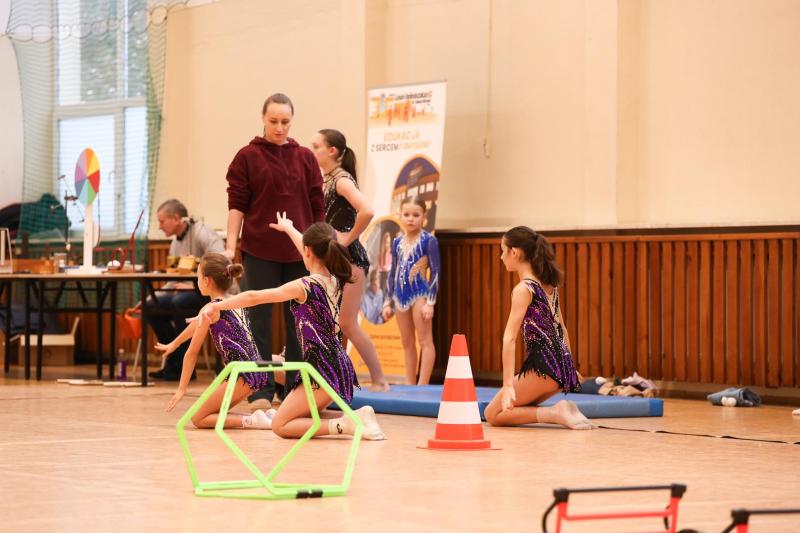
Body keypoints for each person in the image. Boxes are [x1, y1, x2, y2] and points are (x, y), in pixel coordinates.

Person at [201, 213, 386, 440]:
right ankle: (350, 419)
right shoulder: (335, 279)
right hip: (338, 365)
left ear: (308, 252)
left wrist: (219, 305)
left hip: (323, 369)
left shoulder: (304, 286)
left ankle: (345, 423)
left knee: (281, 425)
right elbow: (312, 250)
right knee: (291, 415)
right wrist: (289, 228)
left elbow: (253, 297)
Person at [224, 93, 325, 400]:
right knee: (258, 321)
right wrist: (230, 247)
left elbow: (317, 205)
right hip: (259, 250)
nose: (279, 128)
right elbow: (236, 205)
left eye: (285, 122)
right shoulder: (247, 156)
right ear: (263, 119)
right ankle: (260, 391)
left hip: (300, 252)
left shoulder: (305, 157)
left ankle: (294, 389)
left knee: (299, 321)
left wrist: (321, 247)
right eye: (273, 121)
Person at [483, 226, 593, 430]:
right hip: (560, 367)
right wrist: (569, 366)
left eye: (503, 250)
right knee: (517, 407)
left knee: (493, 414)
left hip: (544, 367)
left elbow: (509, 338)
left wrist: (508, 385)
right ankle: (563, 410)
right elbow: (562, 328)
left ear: (515, 252)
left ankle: (555, 413)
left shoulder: (523, 289)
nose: (501, 257)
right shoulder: (549, 286)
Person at [311, 128, 389, 391]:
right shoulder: (326, 180)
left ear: (331, 151)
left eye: (316, 146)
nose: (312, 151)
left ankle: (380, 379)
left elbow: (367, 210)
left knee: (347, 323)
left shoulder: (341, 180)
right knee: (328, 322)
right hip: (333, 260)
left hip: (350, 260)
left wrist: (347, 238)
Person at [160, 253, 274, 430]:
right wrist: (175, 343)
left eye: (198, 276)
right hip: (256, 371)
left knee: (198, 418)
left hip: (241, 374)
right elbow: (197, 325)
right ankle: (266, 417)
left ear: (206, 281)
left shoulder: (210, 309)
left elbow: (192, 353)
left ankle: (252, 420)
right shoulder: (233, 302)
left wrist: (182, 388)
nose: (197, 280)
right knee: (215, 412)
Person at [148, 199, 224, 381]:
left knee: (180, 302)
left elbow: (222, 261)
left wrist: (193, 285)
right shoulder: (175, 243)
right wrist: (154, 295)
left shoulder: (202, 233)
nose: (160, 226)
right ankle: (173, 362)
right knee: (152, 305)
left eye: (162, 221)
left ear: (176, 218)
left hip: (211, 293)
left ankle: (184, 367)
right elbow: (173, 277)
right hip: (185, 292)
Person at [381, 197, 440, 385]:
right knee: (407, 342)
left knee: (425, 341)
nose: (410, 219)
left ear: (424, 216)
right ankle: (410, 383)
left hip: (420, 294)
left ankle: (422, 385)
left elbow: (436, 272)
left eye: (416, 215)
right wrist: (387, 301)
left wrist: (430, 302)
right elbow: (393, 272)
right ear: (400, 215)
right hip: (400, 296)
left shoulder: (429, 240)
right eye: (406, 214)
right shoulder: (397, 242)